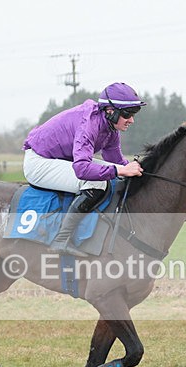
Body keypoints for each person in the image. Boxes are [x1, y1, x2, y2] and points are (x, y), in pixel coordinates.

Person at [22, 82, 146, 256]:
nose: (131, 120)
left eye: (134, 114)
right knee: (97, 184)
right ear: (110, 111)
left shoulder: (110, 129)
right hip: (39, 162)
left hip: (59, 159)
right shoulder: (88, 124)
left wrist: (137, 171)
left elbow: (116, 161)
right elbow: (82, 169)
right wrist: (119, 171)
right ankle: (61, 239)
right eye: (128, 114)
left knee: (115, 173)